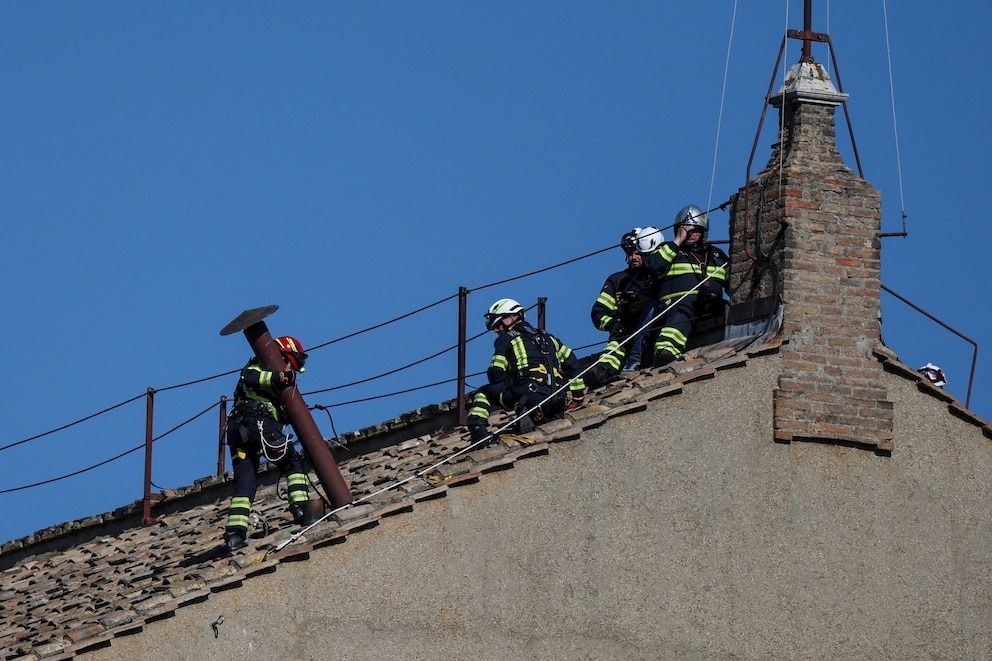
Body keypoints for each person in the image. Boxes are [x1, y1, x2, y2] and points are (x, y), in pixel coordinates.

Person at [223, 335, 311, 552]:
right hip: (257, 423)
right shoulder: (258, 366)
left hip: (237, 431)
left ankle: (235, 535)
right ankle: (302, 509)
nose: (292, 369)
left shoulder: (272, 382)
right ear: (284, 356)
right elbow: (251, 377)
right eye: (292, 363)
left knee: (246, 483)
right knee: (292, 462)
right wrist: (278, 377)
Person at [467, 298, 585, 444]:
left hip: (528, 394)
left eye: (498, 325)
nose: (497, 330)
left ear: (511, 317)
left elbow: (495, 373)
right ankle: (536, 415)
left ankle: (478, 432)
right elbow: (573, 365)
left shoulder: (505, 339)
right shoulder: (549, 337)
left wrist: (511, 382)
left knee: (483, 393)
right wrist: (578, 397)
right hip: (557, 400)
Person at [648, 204, 730, 367]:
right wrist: (678, 241)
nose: (691, 234)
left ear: (703, 231)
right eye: (686, 230)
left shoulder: (716, 255)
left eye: (695, 230)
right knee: (683, 310)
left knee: (730, 309)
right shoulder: (669, 250)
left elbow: (732, 283)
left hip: (710, 306)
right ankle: (666, 350)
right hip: (676, 305)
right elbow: (653, 265)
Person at [585, 226, 664, 388]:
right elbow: (598, 312)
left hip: (651, 334)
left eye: (636, 252)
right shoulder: (617, 281)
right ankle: (602, 373)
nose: (632, 257)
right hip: (623, 334)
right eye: (628, 253)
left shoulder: (658, 274)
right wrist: (613, 324)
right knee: (610, 355)